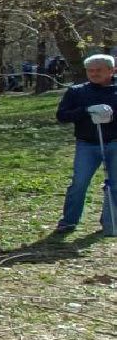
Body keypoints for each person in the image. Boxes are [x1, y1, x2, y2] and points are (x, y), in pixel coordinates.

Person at [54, 53, 117, 236]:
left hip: (114, 142)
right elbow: (62, 116)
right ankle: (69, 222)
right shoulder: (77, 91)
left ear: (112, 70)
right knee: (79, 183)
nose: (94, 74)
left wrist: (112, 115)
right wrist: (85, 111)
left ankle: (110, 223)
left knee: (114, 185)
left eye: (99, 70)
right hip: (87, 144)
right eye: (90, 71)